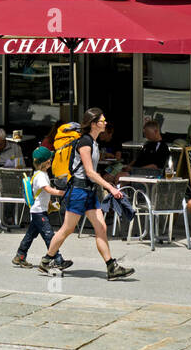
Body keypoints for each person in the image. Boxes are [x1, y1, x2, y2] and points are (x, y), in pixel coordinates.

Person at [39, 108, 134, 281]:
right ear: (93, 123)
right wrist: (111, 188)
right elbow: (90, 172)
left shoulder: (94, 142)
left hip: (89, 191)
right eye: (102, 120)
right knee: (67, 229)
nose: (105, 123)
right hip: (79, 191)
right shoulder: (84, 142)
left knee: (101, 227)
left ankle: (111, 267)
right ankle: (47, 260)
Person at [12, 147, 72, 270]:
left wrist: (49, 204)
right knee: (49, 235)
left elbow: (43, 193)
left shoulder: (40, 174)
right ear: (47, 162)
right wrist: (63, 192)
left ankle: (20, 255)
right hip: (39, 212)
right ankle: (58, 260)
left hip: (38, 210)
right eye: (50, 159)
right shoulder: (41, 176)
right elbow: (47, 190)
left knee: (30, 235)